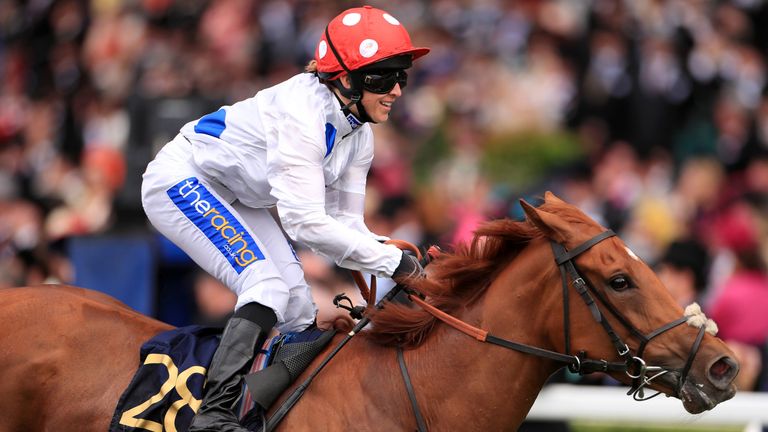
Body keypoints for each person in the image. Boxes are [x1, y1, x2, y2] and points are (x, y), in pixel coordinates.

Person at [140, 5, 429, 431]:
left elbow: (347, 226)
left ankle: (266, 409)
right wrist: (395, 265)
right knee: (267, 287)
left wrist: (395, 257)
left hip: (236, 194)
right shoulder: (303, 113)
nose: (397, 90)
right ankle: (214, 416)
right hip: (182, 178)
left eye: (402, 76)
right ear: (346, 78)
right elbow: (303, 224)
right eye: (384, 77)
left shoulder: (359, 133)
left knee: (298, 309)